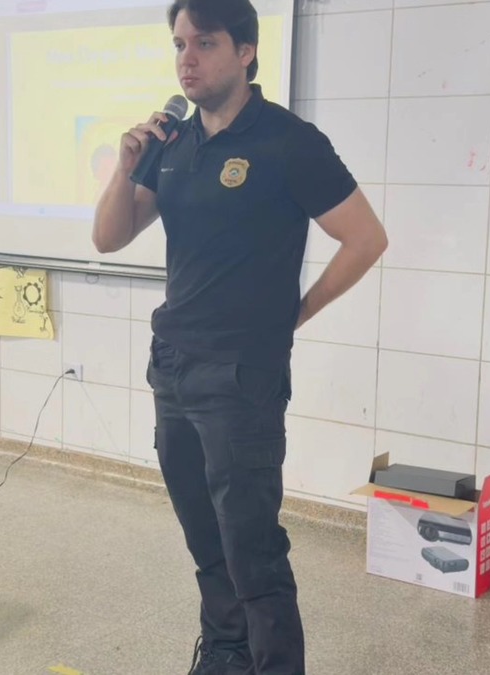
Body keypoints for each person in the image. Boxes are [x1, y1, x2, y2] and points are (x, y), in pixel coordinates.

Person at [92, 0, 387, 672]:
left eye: (204, 43)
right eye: (179, 45)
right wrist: (124, 166)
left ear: (246, 51)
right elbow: (109, 237)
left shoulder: (289, 141)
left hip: (240, 378)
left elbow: (366, 238)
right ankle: (226, 654)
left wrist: (294, 315)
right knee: (206, 541)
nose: (187, 60)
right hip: (173, 366)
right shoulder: (171, 142)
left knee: (251, 547)